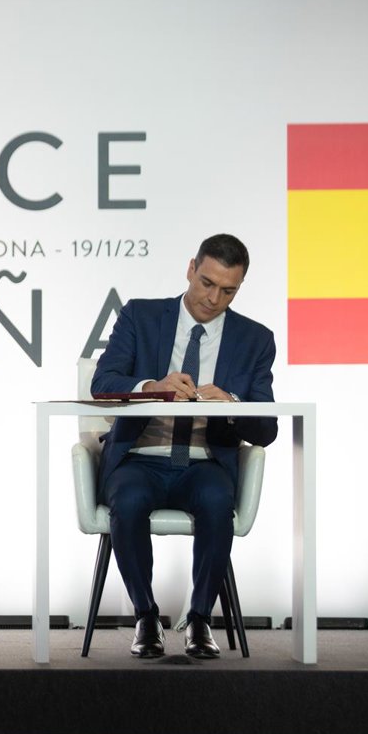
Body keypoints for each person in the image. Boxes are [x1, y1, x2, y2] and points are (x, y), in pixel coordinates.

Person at [91, 233, 277, 659]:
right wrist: (151, 388)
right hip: (140, 458)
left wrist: (232, 405)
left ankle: (200, 619)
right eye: (207, 283)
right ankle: (146, 616)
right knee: (128, 500)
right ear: (191, 269)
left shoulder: (255, 339)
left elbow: (266, 429)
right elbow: (103, 383)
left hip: (204, 462)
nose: (213, 298)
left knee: (216, 501)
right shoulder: (140, 316)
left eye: (228, 290)